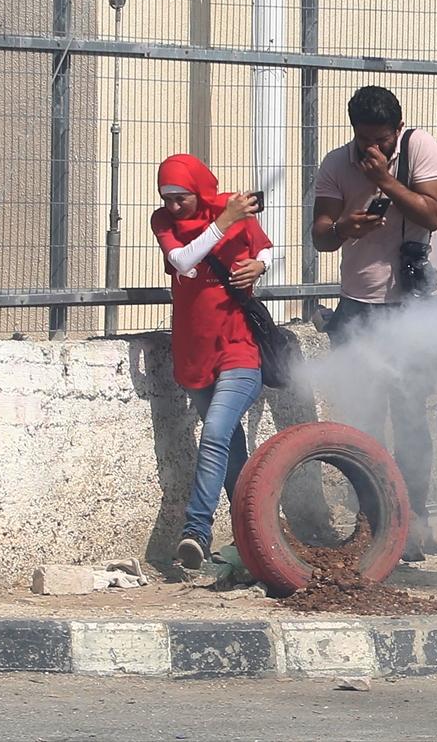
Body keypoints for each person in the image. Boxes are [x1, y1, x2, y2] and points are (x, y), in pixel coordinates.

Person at [311, 85, 437, 562]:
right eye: (363, 139)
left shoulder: (419, 148)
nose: (372, 149)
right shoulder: (335, 163)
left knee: (411, 417)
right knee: (362, 419)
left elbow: (434, 214)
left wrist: (388, 182)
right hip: (358, 306)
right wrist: (346, 226)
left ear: (398, 128)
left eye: (382, 140)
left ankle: (414, 521)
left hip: (412, 308)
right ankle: (372, 522)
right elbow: (321, 237)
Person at [149, 154, 272, 570]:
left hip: (238, 346)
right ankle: (255, 535)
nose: (173, 205)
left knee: (216, 432)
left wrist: (259, 265)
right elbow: (182, 261)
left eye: (180, 197)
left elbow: (267, 248)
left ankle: (196, 531)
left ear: (198, 191)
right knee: (231, 448)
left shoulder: (230, 207)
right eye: (166, 197)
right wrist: (222, 223)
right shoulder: (164, 223)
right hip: (193, 350)